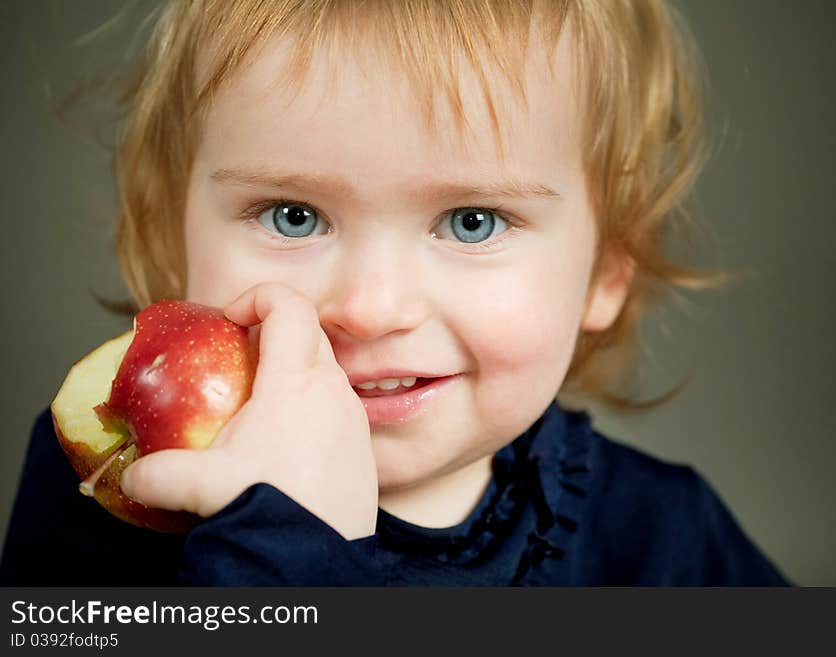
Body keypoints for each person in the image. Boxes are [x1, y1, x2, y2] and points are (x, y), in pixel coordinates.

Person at [0, 0, 790, 586]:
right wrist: (283, 551)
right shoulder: (113, 484)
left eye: (473, 221)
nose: (371, 306)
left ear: (606, 273)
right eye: (293, 215)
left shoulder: (661, 541)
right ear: (174, 235)